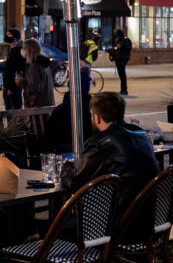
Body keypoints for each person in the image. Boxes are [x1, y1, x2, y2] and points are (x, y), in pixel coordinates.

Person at [60, 92, 158, 242]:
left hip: (117, 227)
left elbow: (74, 182)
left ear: (97, 117)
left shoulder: (101, 142)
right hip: (149, 222)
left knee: (55, 227)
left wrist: (66, 165)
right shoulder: (141, 135)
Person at [45, 65, 92, 154]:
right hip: (85, 152)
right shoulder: (92, 111)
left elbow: (48, 139)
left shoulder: (59, 110)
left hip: (59, 151)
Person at [21, 38, 55, 108]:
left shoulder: (34, 66)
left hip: (37, 109)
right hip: (47, 105)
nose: (22, 50)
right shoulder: (44, 64)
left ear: (28, 50)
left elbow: (34, 88)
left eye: (23, 48)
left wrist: (23, 82)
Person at [2, 28, 25, 110]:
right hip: (7, 87)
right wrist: (5, 86)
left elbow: (18, 71)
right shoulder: (11, 50)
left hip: (13, 89)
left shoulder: (19, 52)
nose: (7, 37)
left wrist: (11, 88)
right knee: (8, 111)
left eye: (9, 35)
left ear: (15, 38)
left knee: (14, 113)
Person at [111, 28, 131, 95]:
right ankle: (123, 90)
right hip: (123, 59)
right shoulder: (124, 40)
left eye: (115, 34)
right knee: (122, 75)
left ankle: (124, 90)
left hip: (121, 59)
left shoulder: (121, 41)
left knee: (122, 75)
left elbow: (120, 49)